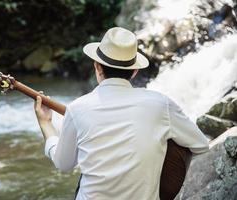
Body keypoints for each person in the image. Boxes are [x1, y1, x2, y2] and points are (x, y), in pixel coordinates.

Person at [34, 27, 209, 200]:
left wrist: (46, 123)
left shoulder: (77, 108)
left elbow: (63, 164)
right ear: (134, 71)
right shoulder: (160, 104)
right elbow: (200, 144)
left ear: (97, 67)